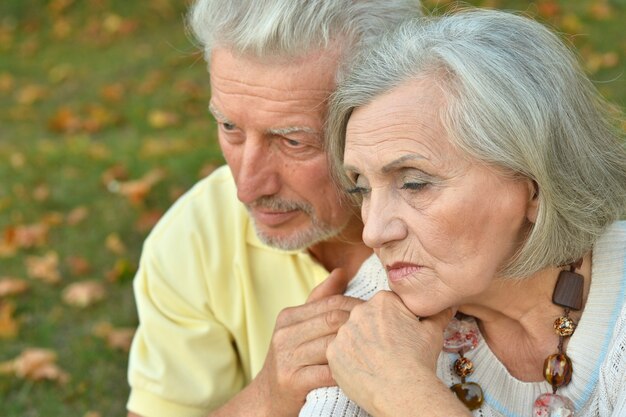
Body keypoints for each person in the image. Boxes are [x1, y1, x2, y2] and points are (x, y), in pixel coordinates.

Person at [300, 8, 626, 417]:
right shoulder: (384, 303)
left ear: (535, 186)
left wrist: (406, 394)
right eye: (362, 188)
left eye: (414, 182)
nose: (373, 233)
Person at [125, 1, 423, 417]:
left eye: (293, 141)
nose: (247, 187)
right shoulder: (192, 238)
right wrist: (266, 397)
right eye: (229, 127)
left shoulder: (478, 218)